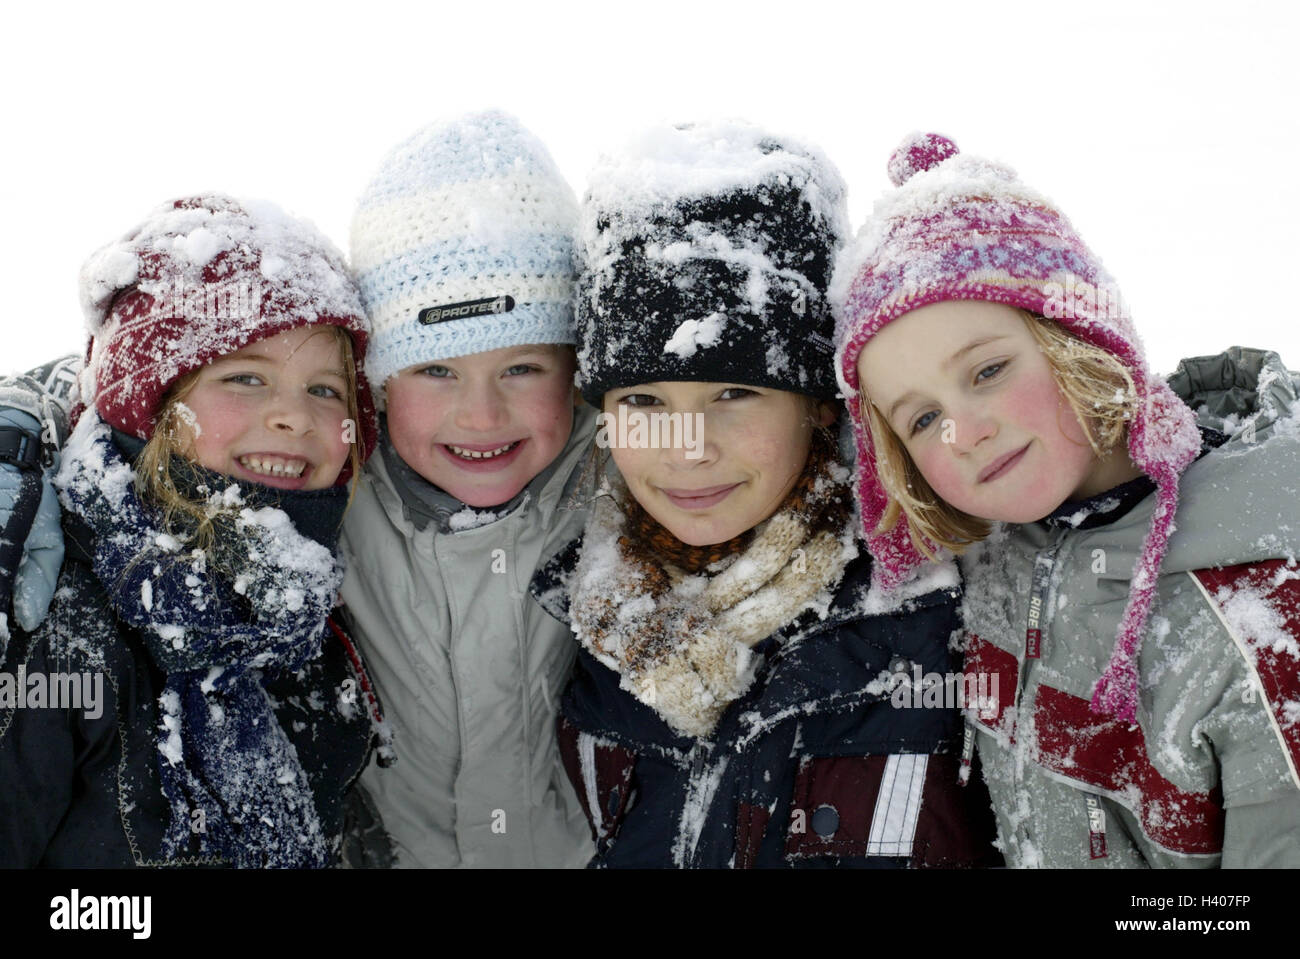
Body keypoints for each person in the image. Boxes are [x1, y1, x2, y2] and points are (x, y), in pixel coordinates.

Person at [533, 121, 1000, 868]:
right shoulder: (585, 622)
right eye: (646, 401)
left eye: (735, 391)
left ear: (818, 403)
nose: (688, 448)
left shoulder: (943, 615)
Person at [835, 132, 1300, 867]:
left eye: (987, 370)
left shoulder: (1261, 612)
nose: (966, 430)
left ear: (1077, 334)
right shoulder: (997, 558)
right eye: (923, 419)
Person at [0, 193, 389, 867]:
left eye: (325, 390)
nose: (293, 416)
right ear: (151, 409)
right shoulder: (56, 631)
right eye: (244, 378)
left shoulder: (312, 613)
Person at [341, 111, 594, 866]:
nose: (482, 415)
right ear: (381, 385)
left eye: (521, 367)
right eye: (436, 370)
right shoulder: (334, 490)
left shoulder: (622, 478)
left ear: (575, 371)